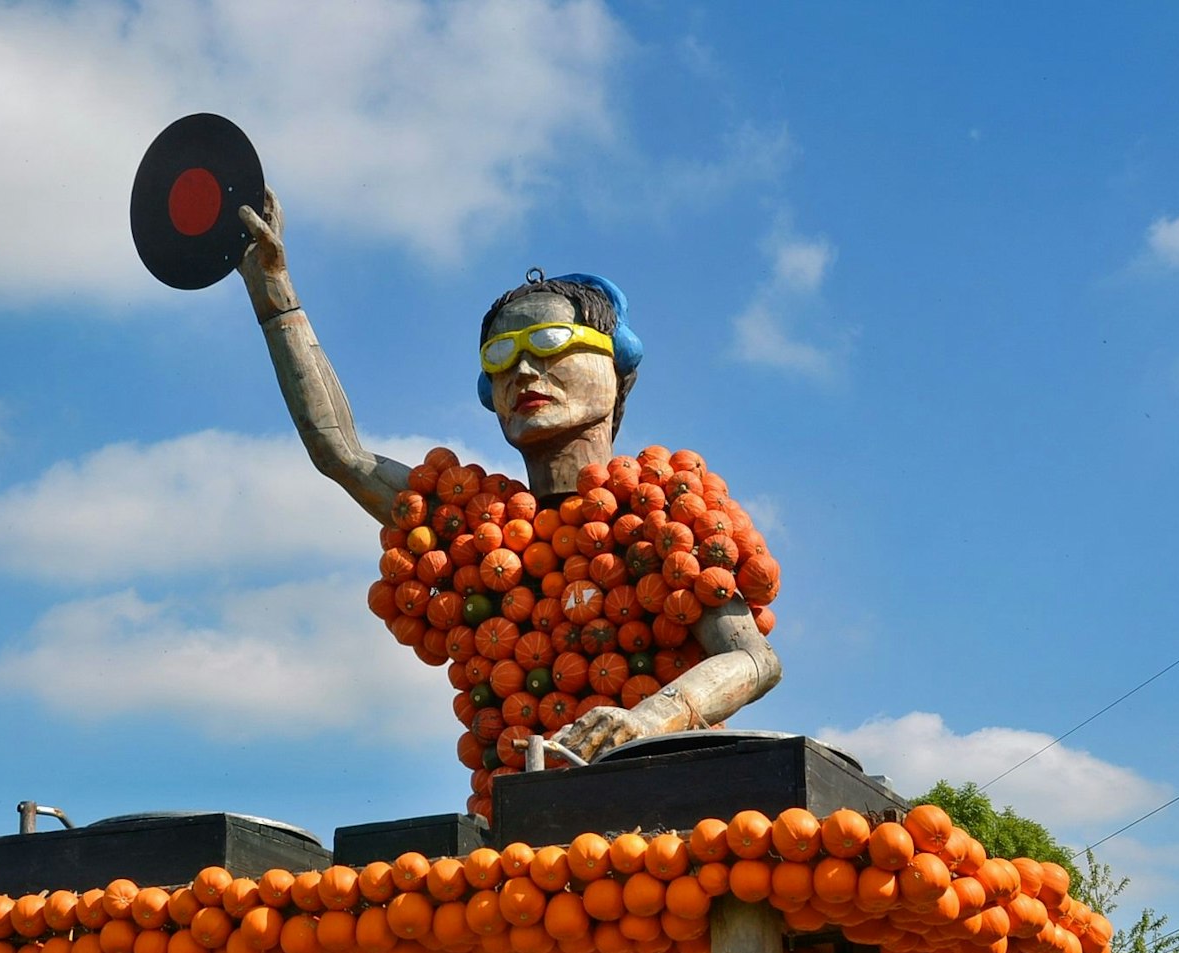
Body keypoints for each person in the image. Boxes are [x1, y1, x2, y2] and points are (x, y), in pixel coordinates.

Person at [237, 190, 780, 762]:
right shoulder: (472, 529)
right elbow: (339, 451)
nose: (523, 371)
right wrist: (275, 296)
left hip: (658, 827)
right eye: (500, 356)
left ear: (618, 371)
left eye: (550, 343)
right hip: (515, 833)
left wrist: (646, 720)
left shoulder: (662, 513)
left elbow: (753, 660)